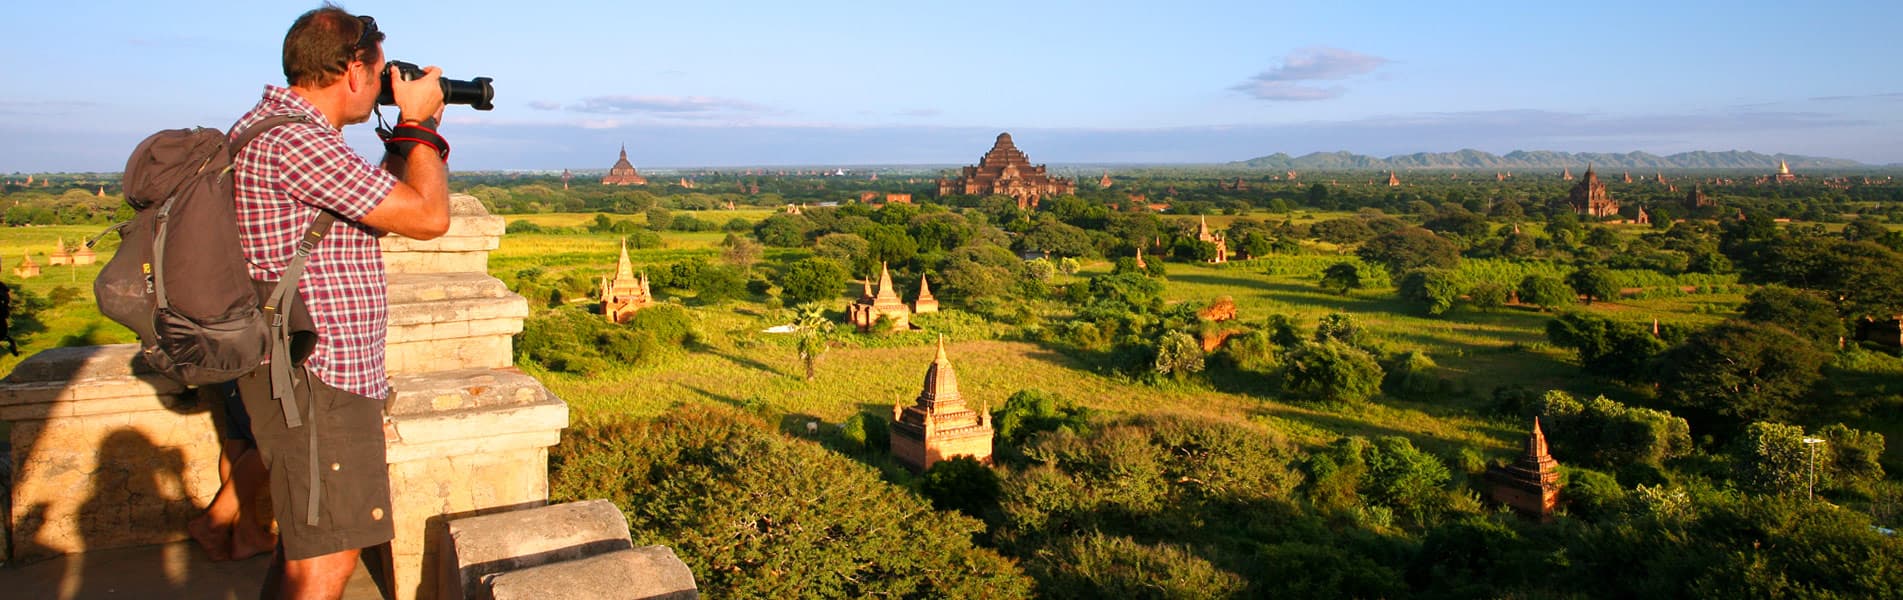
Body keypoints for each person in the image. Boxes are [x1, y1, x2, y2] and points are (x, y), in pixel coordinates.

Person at [230, 5, 450, 598]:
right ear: (354, 70)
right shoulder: (298, 142)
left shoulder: (288, 131)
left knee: (306, 551)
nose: (384, 84)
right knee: (327, 561)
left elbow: (377, 212)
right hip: (317, 374)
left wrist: (408, 134)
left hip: (307, 370)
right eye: (380, 73)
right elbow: (428, 217)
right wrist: (422, 125)